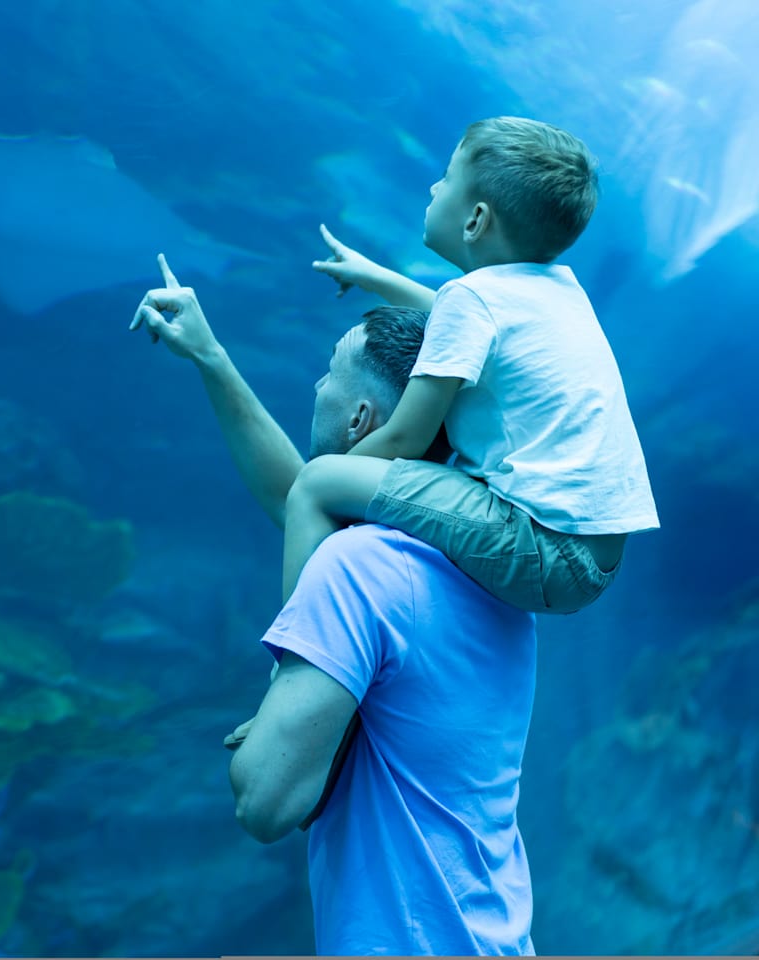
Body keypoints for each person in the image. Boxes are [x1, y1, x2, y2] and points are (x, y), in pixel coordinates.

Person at [131, 255, 536, 954]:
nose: (315, 384)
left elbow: (265, 800)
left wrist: (276, 711)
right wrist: (212, 358)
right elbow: (296, 496)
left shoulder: (358, 569)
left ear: (360, 418)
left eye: (328, 372)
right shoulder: (488, 568)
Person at [284, 117, 659, 614]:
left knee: (316, 483)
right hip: (596, 559)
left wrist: (336, 478)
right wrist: (373, 276)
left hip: (540, 547)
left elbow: (404, 440)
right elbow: (450, 322)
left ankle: (297, 646)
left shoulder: (473, 298)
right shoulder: (555, 291)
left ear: (476, 219)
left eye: (447, 177)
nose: (435, 186)